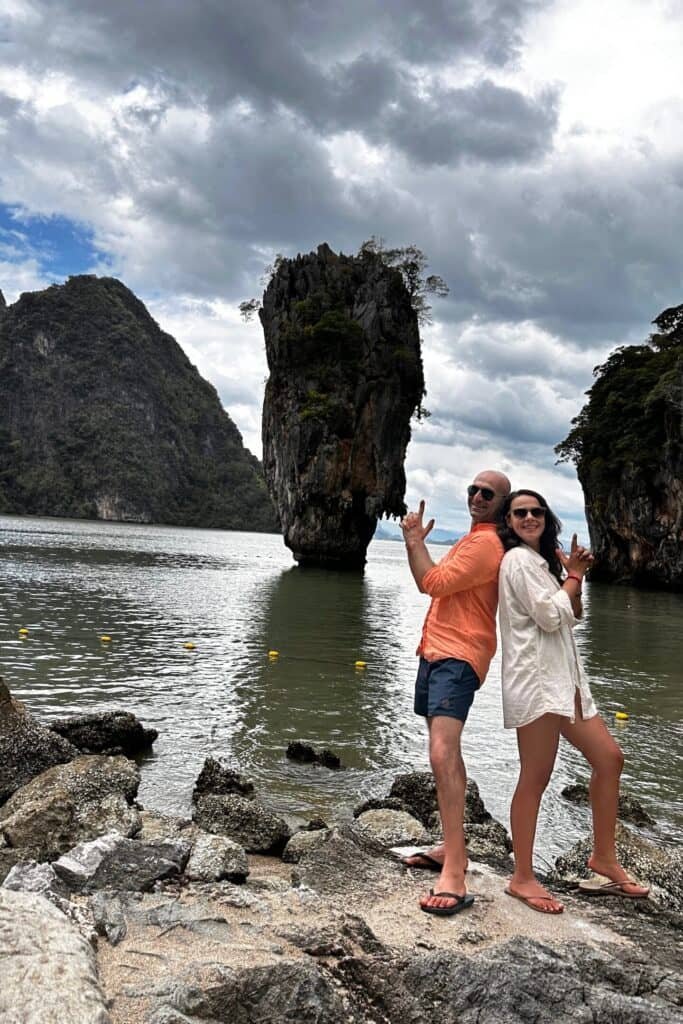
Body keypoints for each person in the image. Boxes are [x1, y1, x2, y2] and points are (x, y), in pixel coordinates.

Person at [497, 488, 650, 913]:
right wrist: (574, 577)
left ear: (546, 517)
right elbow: (548, 617)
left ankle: (603, 858)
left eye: (536, 511)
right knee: (536, 775)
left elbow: (572, 614)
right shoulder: (517, 562)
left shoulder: (543, 564)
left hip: (566, 684)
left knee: (609, 759)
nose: (529, 517)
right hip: (538, 684)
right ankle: (521, 877)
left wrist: (572, 578)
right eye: (519, 513)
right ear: (508, 522)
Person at [400, 470, 511, 916]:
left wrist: (414, 543)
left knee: (442, 752)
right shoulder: (470, 540)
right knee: (447, 752)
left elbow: (433, 582)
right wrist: (414, 544)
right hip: (435, 651)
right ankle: (451, 847)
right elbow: (427, 582)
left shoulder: (486, 545)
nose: (478, 496)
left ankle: (456, 873)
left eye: (489, 493)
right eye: (473, 489)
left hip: (458, 656)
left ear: (502, 504)